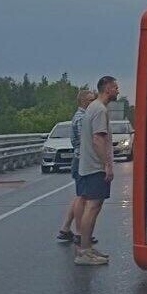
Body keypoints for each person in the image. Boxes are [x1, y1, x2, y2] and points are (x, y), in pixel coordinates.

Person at [75, 75, 119, 266]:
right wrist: (107, 164)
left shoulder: (92, 108)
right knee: (92, 207)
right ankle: (84, 251)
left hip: (89, 165)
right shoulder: (100, 110)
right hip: (95, 167)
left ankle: (87, 249)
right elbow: (98, 140)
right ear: (107, 88)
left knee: (93, 206)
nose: (118, 90)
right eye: (115, 87)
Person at [57, 89, 96, 243]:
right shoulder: (82, 118)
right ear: (83, 102)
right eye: (90, 101)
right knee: (83, 197)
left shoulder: (83, 116)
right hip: (82, 160)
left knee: (81, 195)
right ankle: (80, 233)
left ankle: (66, 228)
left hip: (79, 160)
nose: (93, 103)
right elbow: (86, 140)